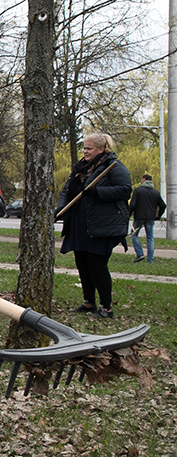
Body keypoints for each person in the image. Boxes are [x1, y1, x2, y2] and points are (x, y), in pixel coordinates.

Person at [57, 133, 131, 319]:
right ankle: (88, 302)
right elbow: (68, 189)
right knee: (82, 263)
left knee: (97, 265)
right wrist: (60, 208)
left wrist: (98, 192)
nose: (85, 151)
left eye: (89, 148)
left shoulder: (113, 166)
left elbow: (125, 189)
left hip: (101, 226)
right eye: (84, 148)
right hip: (79, 224)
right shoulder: (81, 167)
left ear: (101, 149)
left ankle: (107, 307)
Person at [128, 174, 166, 264]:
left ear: (143, 180)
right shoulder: (155, 192)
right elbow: (163, 205)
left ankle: (140, 253)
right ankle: (150, 260)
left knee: (134, 235)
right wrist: (158, 216)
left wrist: (128, 215)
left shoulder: (138, 191)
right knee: (150, 238)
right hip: (150, 218)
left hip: (139, 218)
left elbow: (132, 205)